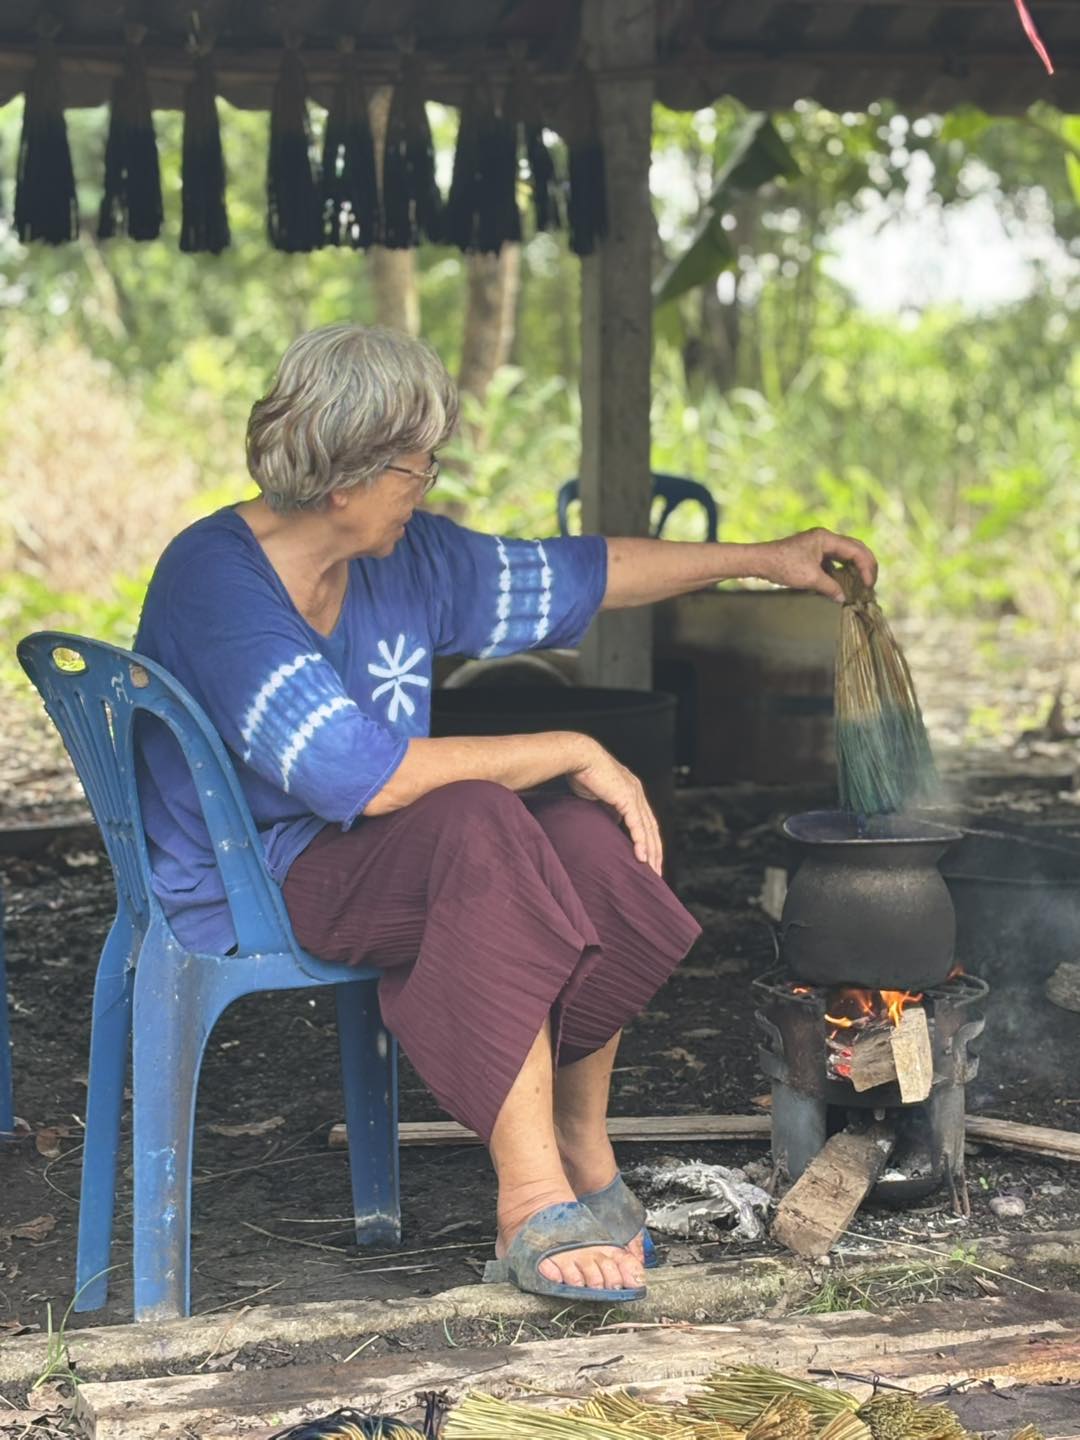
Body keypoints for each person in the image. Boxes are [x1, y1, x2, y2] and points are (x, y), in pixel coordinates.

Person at [134, 324, 877, 1304]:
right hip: (251, 873)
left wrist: (766, 560)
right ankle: (529, 1199)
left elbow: (580, 574)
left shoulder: (403, 555)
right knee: (484, 820)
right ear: (345, 476)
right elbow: (353, 771)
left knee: (583, 837)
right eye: (418, 467)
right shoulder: (217, 582)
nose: (430, 486)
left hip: (365, 849)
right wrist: (569, 747)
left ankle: (577, 1137)